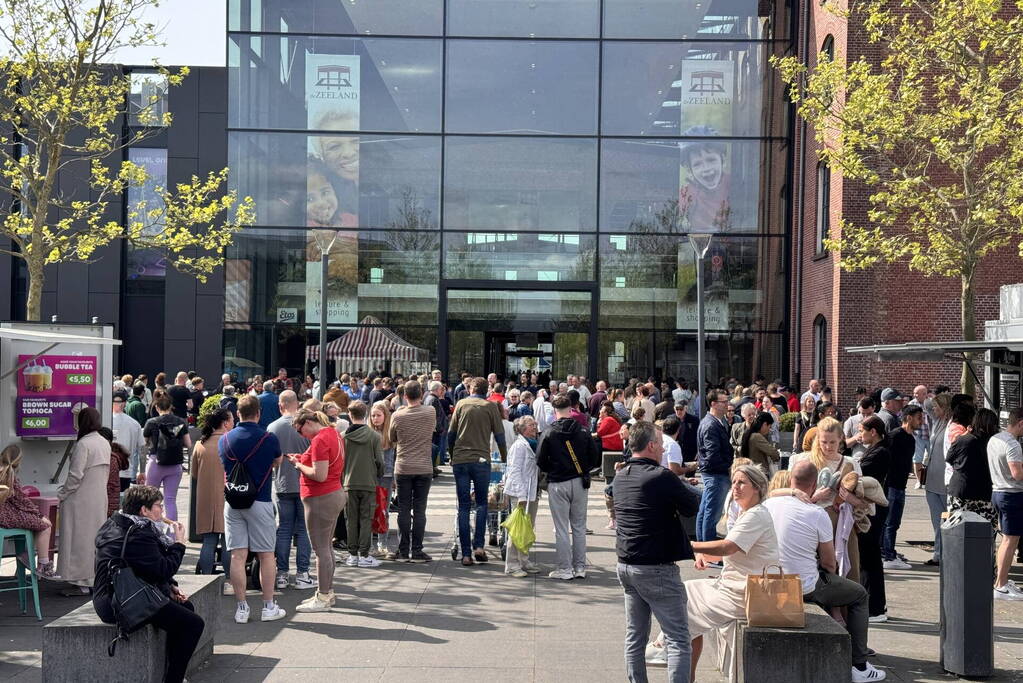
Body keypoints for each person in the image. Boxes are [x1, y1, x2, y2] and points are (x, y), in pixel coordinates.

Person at [764, 461, 885, 683]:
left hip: (770, 582)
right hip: (805, 587)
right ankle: (859, 665)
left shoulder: (770, 504)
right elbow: (830, 563)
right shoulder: (816, 513)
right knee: (858, 595)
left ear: (791, 480)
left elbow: (773, 492)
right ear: (815, 485)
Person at [615, 421, 701, 682]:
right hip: (656, 567)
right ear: (651, 446)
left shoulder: (621, 476)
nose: (664, 450)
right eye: (661, 444)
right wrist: (686, 485)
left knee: (635, 636)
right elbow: (692, 505)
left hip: (626, 563)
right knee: (678, 638)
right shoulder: (661, 476)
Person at [92, 486, 203, 683]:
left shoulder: (115, 524)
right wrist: (179, 544)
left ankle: (173, 669)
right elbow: (163, 568)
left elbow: (143, 567)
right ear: (144, 510)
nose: (162, 511)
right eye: (159, 506)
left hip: (112, 596)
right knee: (193, 624)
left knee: (186, 608)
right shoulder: (139, 534)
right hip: (122, 604)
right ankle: (174, 679)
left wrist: (168, 587)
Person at [685, 465, 779, 681]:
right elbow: (735, 552)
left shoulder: (756, 515)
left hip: (747, 593)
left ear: (757, 488)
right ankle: (678, 658)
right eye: (734, 482)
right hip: (739, 586)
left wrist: (689, 545)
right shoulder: (750, 513)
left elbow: (728, 547)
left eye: (741, 482)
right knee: (686, 595)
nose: (734, 487)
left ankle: (670, 650)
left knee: (684, 600)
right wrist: (705, 556)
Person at [219, 394, 287, 624]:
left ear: (238, 414)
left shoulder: (225, 439)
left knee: (238, 555)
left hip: (233, 501)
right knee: (266, 555)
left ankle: (241, 607)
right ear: (258, 413)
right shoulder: (268, 438)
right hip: (260, 499)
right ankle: (268, 606)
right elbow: (277, 461)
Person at [286, 409, 347, 612]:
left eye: (300, 430)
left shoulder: (320, 439)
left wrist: (298, 465)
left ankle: (322, 596)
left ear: (308, 422)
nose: (301, 435)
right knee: (326, 548)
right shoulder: (333, 433)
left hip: (321, 497)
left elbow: (319, 475)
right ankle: (326, 593)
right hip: (333, 493)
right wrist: (303, 459)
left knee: (321, 550)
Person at [536, 394, 599, 580]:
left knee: (561, 528)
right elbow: (594, 457)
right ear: (572, 408)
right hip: (580, 481)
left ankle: (564, 568)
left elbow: (540, 460)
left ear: (554, 410)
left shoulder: (549, 432)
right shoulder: (583, 430)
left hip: (558, 482)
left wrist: (553, 469)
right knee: (579, 526)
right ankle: (580, 567)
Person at [448, 377, 508, 566]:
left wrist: (452, 455)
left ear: (471, 388)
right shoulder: (490, 407)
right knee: (482, 504)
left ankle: (466, 554)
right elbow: (499, 436)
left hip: (461, 460)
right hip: (482, 460)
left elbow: (451, 434)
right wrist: (506, 459)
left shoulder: (461, 404)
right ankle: (479, 547)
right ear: (486, 390)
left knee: (464, 505)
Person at [57, 407, 110, 594]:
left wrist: (62, 494)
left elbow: (75, 476)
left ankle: (80, 580)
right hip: (98, 498)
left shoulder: (83, 444)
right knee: (93, 539)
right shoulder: (104, 442)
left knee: (77, 539)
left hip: (80, 499)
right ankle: (92, 578)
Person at [267, 390, 314, 591]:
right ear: (297, 403)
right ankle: (303, 573)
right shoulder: (307, 426)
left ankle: (282, 573)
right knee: (304, 529)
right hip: (305, 482)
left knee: (284, 528)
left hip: (282, 483)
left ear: (280, 405)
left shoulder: (272, 427)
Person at [388, 380, 437, 563]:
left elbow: (391, 438)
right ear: (422, 393)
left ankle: (402, 550)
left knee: (403, 509)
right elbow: (433, 429)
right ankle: (417, 550)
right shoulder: (430, 411)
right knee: (420, 510)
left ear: (404, 396)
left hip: (403, 466)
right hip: (424, 466)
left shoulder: (398, 416)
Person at [0, 445, 57, 578]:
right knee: (45, 525)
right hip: (5, 516)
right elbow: (22, 501)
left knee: (34, 523)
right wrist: (38, 514)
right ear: (18, 461)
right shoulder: (9, 475)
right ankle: (43, 565)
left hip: (5, 514)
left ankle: (26, 554)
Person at [190, 408, 232, 577]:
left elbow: (194, 473)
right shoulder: (230, 442)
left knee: (208, 541)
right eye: (231, 419)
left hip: (205, 498)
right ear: (225, 423)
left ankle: (206, 578)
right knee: (229, 542)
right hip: (228, 497)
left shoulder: (201, 444)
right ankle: (230, 578)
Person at [342, 401, 385, 568]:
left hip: (349, 482)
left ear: (350, 415)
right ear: (365, 414)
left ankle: (352, 554)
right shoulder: (374, 436)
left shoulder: (343, 436)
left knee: (351, 519)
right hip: (368, 481)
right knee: (366, 518)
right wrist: (378, 475)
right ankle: (364, 554)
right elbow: (380, 462)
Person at [856, 416, 891, 622]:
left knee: (869, 558)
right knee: (868, 558)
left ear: (873, 432)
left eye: (862, 431)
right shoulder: (877, 451)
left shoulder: (880, 453)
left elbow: (860, 474)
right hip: (873, 509)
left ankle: (875, 607)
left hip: (873, 510)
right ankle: (875, 606)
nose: (860, 435)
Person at [988, 407, 1023, 600]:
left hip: (998, 491)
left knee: (1007, 540)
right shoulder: (1013, 445)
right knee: (1010, 541)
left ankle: (1001, 581)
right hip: (1012, 494)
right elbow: (1017, 474)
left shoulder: (995, 439)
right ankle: (1000, 585)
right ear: (1021, 423)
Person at [881, 405, 922, 569]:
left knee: (894, 522)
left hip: (901, 485)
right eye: (919, 417)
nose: (922, 421)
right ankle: (887, 555)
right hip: (891, 485)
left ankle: (889, 551)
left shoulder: (911, 438)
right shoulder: (895, 435)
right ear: (909, 417)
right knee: (889, 521)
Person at [503, 416, 542, 578]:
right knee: (517, 529)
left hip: (532, 491)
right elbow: (514, 471)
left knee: (527, 528)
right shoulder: (519, 446)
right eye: (531, 425)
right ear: (522, 429)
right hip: (522, 494)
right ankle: (512, 565)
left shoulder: (533, 444)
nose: (535, 427)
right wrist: (520, 495)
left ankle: (524, 560)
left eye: (535, 424)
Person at [946, 407, 998, 526]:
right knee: (985, 531)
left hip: (961, 490)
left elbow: (949, 458)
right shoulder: (993, 442)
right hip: (984, 492)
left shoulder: (964, 439)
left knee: (958, 531)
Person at [142, 396, 191, 521]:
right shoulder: (180, 422)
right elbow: (189, 444)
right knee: (170, 500)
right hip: (175, 465)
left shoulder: (152, 422)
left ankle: (150, 529)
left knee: (149, 498)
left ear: (157, 407)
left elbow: (144, 442)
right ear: (171, 407)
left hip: (155, 462)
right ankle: (172, 534)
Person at [695, 389, 734, 544]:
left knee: (705, 511)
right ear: (713, 404)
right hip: (716, 474)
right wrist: (728, 467)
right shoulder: (711, 425)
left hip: (713, 473)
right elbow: (713, 456)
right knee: (712, 513)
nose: (727, 405)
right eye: (723, 402)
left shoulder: (713, 422)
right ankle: (708, 549)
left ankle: (703, 546)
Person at [920, 393, 951, 566]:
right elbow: (925, 404)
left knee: (945, 519)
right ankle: (939, 554)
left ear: (946, 408)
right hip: (932, 481)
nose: (934, 410)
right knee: (936, 521)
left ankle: (945, 554)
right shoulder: (937, 421)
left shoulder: (951, 425)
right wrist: (932, 397)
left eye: (938, 407)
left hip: (944, 483)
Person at [370, 401, 395, 557]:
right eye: (373, 415)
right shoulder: (368, 433)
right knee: (370, 511)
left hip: (386, 476)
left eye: (378, 415)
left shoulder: (390, 434)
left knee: (384, 511)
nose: (375, 418)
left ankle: (382, 544)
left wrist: (394, 478)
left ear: (385, 416)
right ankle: (371, 546)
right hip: (370, 477)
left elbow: (395, 456)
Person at [111, 389, 144, 491]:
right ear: (125, 404)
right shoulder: (134, 424)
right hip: (126, 470)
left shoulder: (105, 421)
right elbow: (142, 450)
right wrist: (142, 471)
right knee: (122, 500)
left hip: (107, 470)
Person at [739, 412, 780, 479]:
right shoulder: (757, 436)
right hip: (759, 472)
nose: (769, 430)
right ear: (764, 424)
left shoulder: (748, 433)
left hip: (751, 470)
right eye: (769, 427)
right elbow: (773, 452)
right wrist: (776, 457)